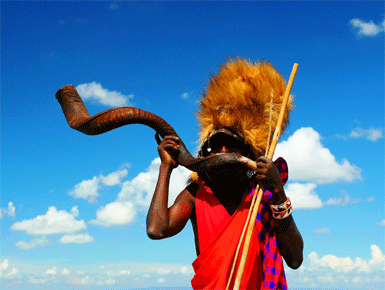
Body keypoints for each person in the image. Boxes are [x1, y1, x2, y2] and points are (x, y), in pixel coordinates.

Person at [146, 58, 303, 289]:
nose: (222, 152)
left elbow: (295, 259)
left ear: (248, 153)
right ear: (205, 153)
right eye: (216, 145)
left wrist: (278, 192)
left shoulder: (261, 195)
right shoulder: (196, 194)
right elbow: (156, 229)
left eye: (230, 145)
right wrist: (166, 167)